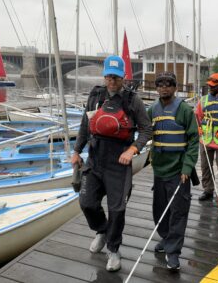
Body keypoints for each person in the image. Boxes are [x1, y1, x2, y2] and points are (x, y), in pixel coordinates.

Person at [71, 55, 152, 272]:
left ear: (123, 77)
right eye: (108, 76)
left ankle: (114, 250)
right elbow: (85, 125)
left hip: (119, 159)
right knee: (87, 202)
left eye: (116, 77)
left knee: (117, 208)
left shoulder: (132, 100)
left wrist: (133, 149)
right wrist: (77, 150)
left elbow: (146, 130)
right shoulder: (96, 95)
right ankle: (102, 230)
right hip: (95, 157)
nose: (112, 81)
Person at [147, 72, 199, 271]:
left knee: (178, 211)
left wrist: (187, 166)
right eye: (160, 84)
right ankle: (167, 239)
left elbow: (193, 140)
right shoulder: (152, 109)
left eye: (168, 84)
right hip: (159, 169)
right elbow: (144, 132)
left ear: (175, 87)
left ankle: (173, 252)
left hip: (179, 171)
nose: (164, 87)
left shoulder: (185, 110)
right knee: (160, 209)